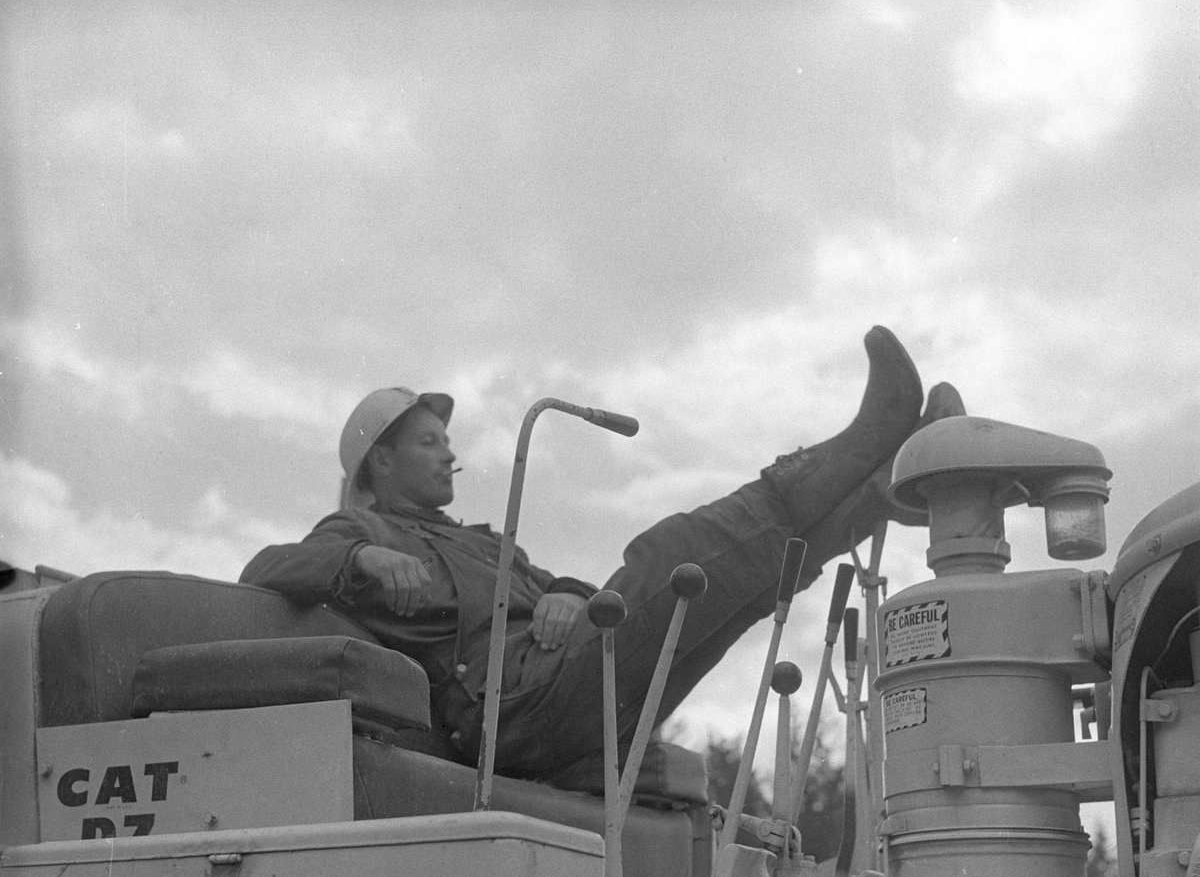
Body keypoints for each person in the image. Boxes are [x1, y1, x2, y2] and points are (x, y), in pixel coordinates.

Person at [241, 326, 964, 777]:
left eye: (446, 440)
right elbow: (265, 570)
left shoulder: (481, 544)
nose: (450, 454)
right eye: (429, 442)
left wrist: (565, 596)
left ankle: (881, 490)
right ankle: (872, 444)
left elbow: (576, 590)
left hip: (558, 693)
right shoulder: (360, 534)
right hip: (511, 707)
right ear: (381, 464)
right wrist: (360, 562)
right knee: (673, 554)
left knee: (726, 598)